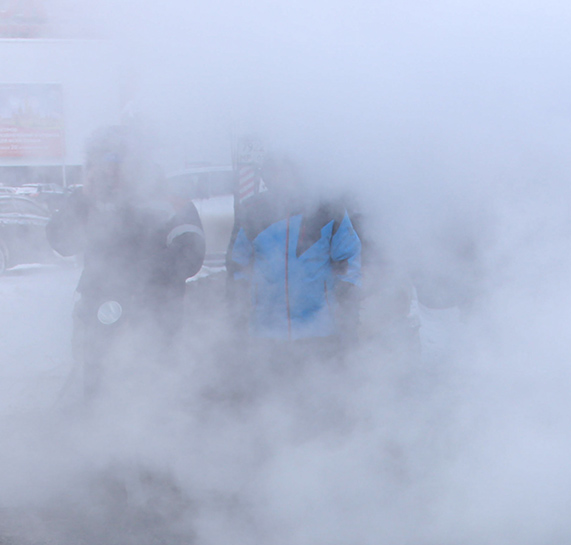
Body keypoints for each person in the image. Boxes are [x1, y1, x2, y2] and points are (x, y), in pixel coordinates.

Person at [46, 125, 206, 403]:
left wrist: (142, 276)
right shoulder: (90, 202)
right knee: (96, 370)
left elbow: (191, 256)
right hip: (99, 306)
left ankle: (157, 427)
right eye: (102, 161)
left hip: (157, 310)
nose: (109, 171)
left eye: (116, 161)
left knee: (154, 376)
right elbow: (62, 242)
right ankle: (93, 424)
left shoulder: (171, 203)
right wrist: (83, 200)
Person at [227, 162, 362, 352]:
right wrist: (238, 310)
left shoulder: (327, 207)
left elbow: (349, 259)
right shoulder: (252, 210)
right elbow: (237, 264)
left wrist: (347, 307)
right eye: (273, 169)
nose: (279, 176)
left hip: (319, 330)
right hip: (266, 330)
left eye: (285, 168)